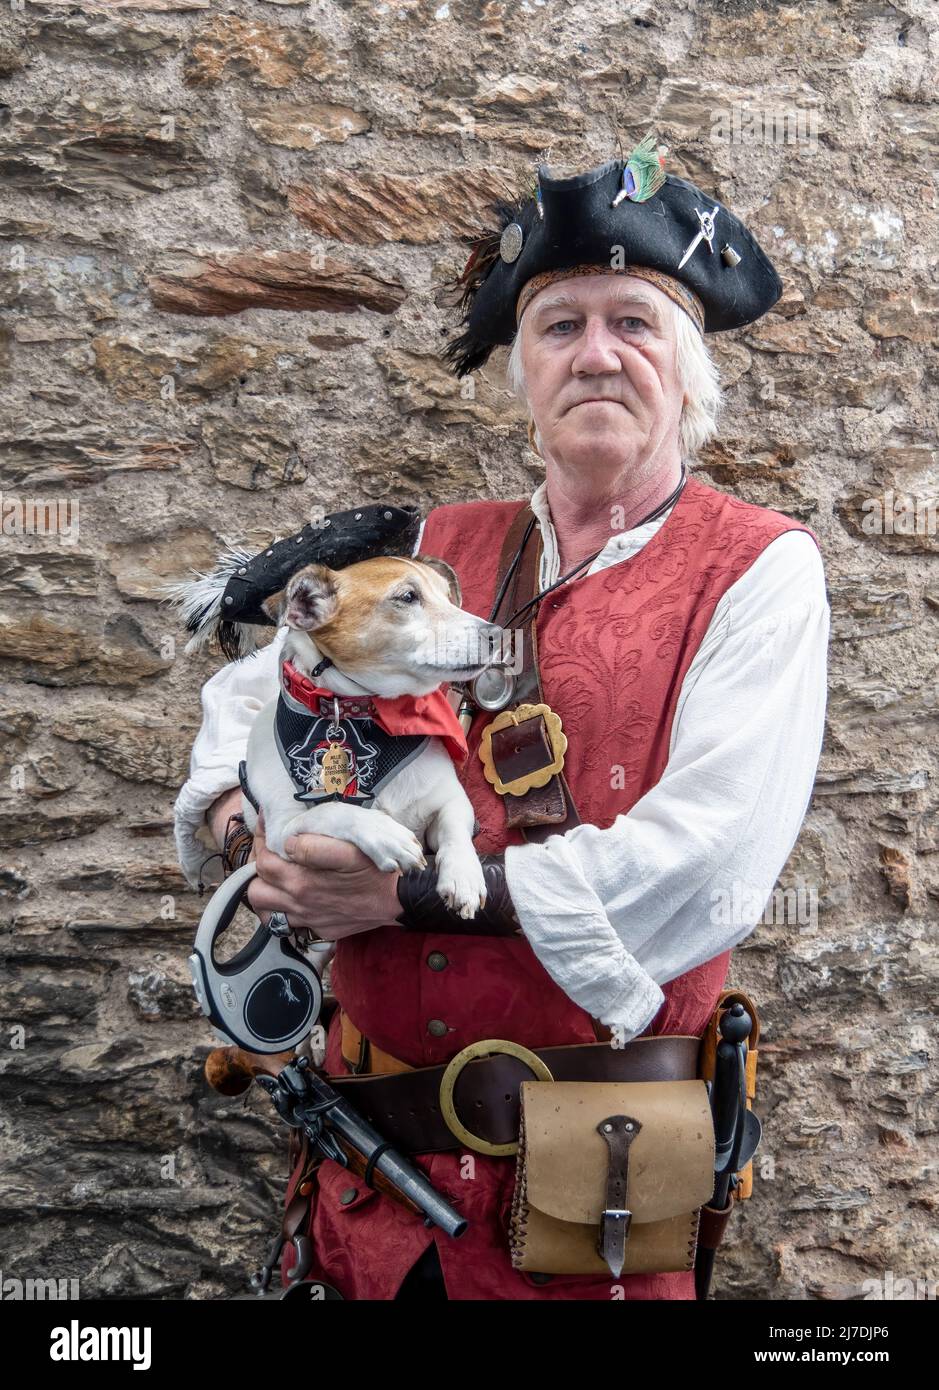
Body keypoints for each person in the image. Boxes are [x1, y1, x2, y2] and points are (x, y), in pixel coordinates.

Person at [175, 144, 830, 1300]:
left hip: (591, 1205)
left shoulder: (760, 571)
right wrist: (249, 837)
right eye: (560, 325)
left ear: (687, 365)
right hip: (369, 1199)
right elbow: (253, 695)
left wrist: (398, 894)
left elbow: (708, 860)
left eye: (635, 321)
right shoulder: (431, 549)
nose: (597, 354)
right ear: (521, 367)